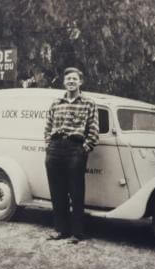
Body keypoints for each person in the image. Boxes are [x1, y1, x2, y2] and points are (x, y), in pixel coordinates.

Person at [44, 67, 99, 244]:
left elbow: (93, 130)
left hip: (76, 149)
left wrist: (85, 148)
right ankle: (61, 230)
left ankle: (77, 232)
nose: (71, 82)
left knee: (76, 192)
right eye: (68, 79)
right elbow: (47, 127)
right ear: (64, 82)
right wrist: (49, 145)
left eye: (74, 79)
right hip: (55, 148)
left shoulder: (89, 103)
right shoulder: (55, 103)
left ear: (80, 82)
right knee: (57, 192)